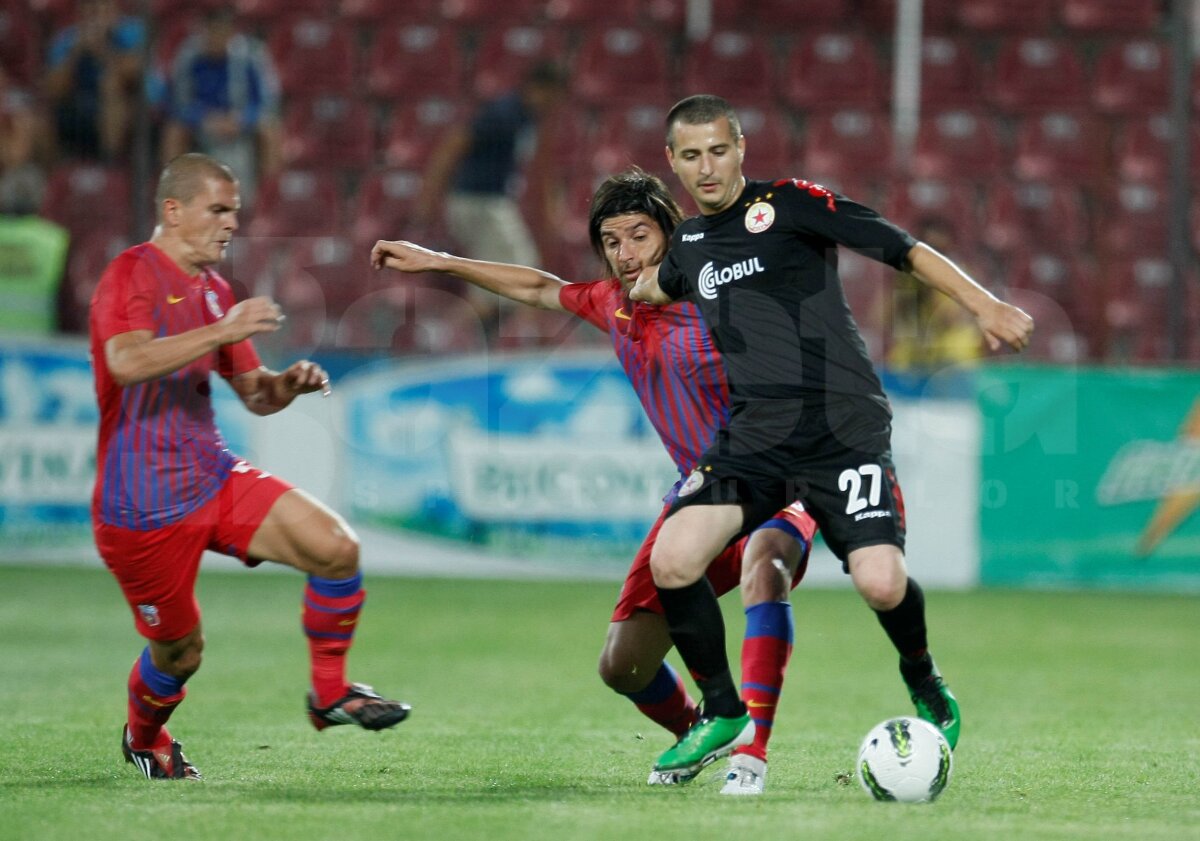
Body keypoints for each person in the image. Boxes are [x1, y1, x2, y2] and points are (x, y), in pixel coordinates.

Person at [371, 167, 818, 796]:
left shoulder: (719, 298)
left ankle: (752, 748)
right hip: (701, 492)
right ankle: (704, 732)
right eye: (612, 241)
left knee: (765, 565)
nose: (626, 253)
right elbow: (536, 286)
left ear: (671, 233)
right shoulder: (614, 303)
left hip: (776, 476)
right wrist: (440, 260)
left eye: (639, 235)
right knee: (624, 665)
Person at [628, 95, 1035, 781]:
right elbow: (653, 286)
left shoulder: (789, 205)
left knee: (880, 582)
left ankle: (924, 677)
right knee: (673, 557)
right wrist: (619, 285)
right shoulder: (689, 248)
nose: (706, 167)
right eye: (690, 155)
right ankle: (723, 711)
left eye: (718, 150)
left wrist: (984, 304)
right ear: (671, 162)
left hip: (841, 428)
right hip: (755, 437)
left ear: (741, 147)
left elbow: (901, 248)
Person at [89, 153, 409, 781]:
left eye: (235, 210)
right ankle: (143, 734)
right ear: (172, 211)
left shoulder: (215, 291)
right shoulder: (130, 275)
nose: (231, 222)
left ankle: (329, 693)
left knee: (336, 549)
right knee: (180, 653)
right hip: (140, 508)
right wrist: (222, 330)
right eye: (218, 209)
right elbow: (124, 362)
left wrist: (285, 383)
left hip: (212, 476)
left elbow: (254, 394)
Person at [410, 61, 566, 319]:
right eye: (553, 95)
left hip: (487, 203)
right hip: (480, 203)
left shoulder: (526, 118)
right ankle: (452, 339)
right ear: (540, 88)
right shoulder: (504, 113)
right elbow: (452, 146)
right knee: (528, 279)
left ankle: (456, 339)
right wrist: (427, 198)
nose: (555, 103)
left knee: (496, 285)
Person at [161, 8, 282, 203]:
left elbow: (268, 101)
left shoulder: (251, 55)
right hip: (202, 123)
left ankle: (269, 201)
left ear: (231, 33)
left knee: (270, 129)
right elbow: (177, 102)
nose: (216, 38)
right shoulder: (188, 56)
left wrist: (242, 119)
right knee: (174, 131)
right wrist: (204, 118)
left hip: (240, 122)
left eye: (221, 32)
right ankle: (175, 200)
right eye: (211, 32)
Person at [43, 0, 143, 161]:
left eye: (103, 9)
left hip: (130, 104)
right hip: (77, 105)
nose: (98, 18)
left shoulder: (133, 30)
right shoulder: (67, 38)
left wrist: (103, 50)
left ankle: (111, 162)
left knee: (111, 84)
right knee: (42, 116)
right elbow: (54, 90)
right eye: (91, 11)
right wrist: (75, 54)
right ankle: (54, 175)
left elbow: (136, 72)